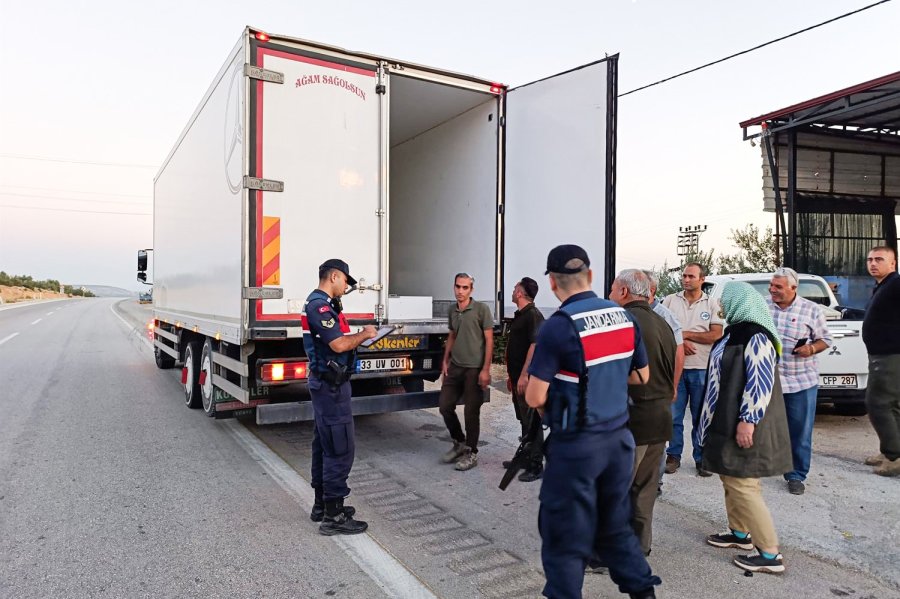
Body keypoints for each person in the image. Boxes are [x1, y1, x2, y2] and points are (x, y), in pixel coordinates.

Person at [526, 245, 661, 599]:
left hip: (576, 446)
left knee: (564, 539)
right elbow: (642, 376)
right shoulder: (623, 317)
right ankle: (644, 594)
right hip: (618, 441)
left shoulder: (559, 326)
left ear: (553, 283)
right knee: (614, 528)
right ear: (589, 276)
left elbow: (535, 397)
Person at [699, 282, 792, 574]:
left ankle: (770, 553)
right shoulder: (734, 333)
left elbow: (760, 382)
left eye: (725, 301)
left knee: (744, 483)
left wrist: (747, 420)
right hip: (726, 418)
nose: (721, 307)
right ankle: (740, 535)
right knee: (730, 476)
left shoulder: (757, 337)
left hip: (745, 422)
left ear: (740, 302)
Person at [302, 259, 377, 535]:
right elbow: (338, 343)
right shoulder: (318, 305)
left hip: (328, 385)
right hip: (330, 387)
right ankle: (333, 516)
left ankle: (322, 504)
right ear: (334, 276)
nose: (346, 287)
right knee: (339, 447)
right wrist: (365, 334)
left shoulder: (325, 305)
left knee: (324, 443)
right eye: (345, 281)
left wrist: (358, 337)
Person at [608, 269, 677, 556]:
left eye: (612, 289)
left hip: (632, 421)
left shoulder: (624, 322)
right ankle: (639, 546)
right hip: (660, 419)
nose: (610, 294)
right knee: (644, 491)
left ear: (624, 292)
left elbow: (617, 373)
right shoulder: (663, 323)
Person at [766, 267, 832, 495]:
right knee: (763, 427)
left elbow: (826, 339)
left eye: (778, 287)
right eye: (771, 285)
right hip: (769, 380)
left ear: (794, 288)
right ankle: (764, 464)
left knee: (800, 431)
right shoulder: (762, 307)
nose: (772, 290)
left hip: (800, 381)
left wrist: (811, 348)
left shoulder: (811, 310)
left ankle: (795, 475)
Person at [662, 262, 724, 476]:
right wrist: (679, 342)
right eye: (684, 276)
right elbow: (661, 331)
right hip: (676, 368)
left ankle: (702, 457)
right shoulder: (670, 301)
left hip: (701, 369)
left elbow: (715, 334)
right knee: (674, 415)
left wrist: (684, 335)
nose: (686, 279)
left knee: (701, 416)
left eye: (691, 276)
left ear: (702, 279)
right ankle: (673, 455)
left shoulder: (713, 304)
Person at [438, 273, 494, 471]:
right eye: (457, 287)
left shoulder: (481, 309)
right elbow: (452, 335)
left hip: (474, 369)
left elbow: (489, 340)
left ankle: (471, 452)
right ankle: (459, 442)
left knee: (471, 411)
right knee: (445, 405)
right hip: (455, 367)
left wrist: (485, 369)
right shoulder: (452, 310)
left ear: (471, 289)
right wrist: (445, 360)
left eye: (465, 288)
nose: (460, 291)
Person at [861, 246, 900, 477]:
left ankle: (893, 457)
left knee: (879, 404)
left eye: (879, 259)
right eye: (870, 259)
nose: (873, 263)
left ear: (893, 264)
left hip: (890, 355)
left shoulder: (896, 284)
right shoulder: (882, 287)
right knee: (893, 405)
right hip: (882, 355)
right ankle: (890, 451)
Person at [504, 276, 545, 481]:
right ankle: (525, 457)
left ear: (520, 293)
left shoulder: (533, 315)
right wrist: (512, 376)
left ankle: (536, 465)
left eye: (514, 288)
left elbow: (535, 345)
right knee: (523, 420)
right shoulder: (521, 315)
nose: (512, 291)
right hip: (517, 378)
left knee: (532, 423)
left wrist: (524, 375)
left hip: (527, 380)